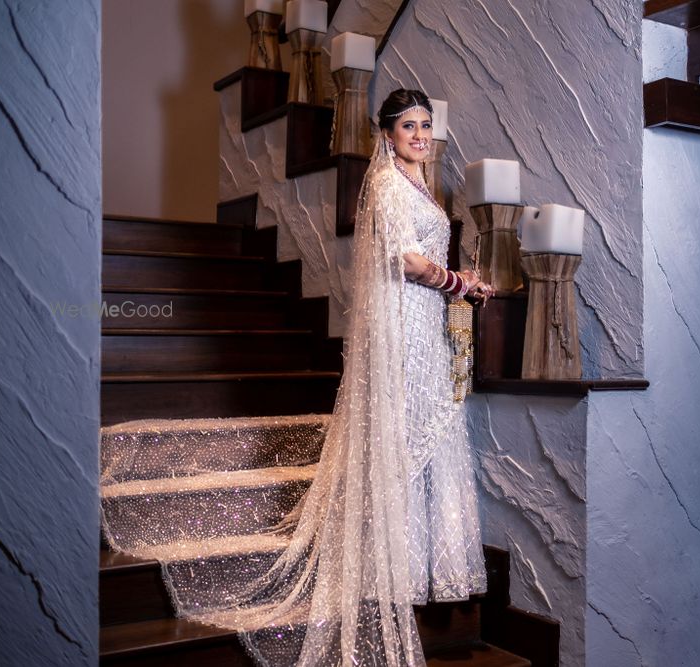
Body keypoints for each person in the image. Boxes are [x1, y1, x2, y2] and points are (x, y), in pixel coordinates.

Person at [179, 89, 492, 666]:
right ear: (387, 135)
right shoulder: (387, 184)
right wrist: (459, 282)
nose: (420, 135)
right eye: (407, 127)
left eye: (425, 126)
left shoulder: (421, 183)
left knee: (429, 436)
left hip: (426, 326)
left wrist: (460, 281)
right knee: (402, 436)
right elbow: (406, 260)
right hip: (404, 329)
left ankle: (423, 565)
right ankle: (383, 565)